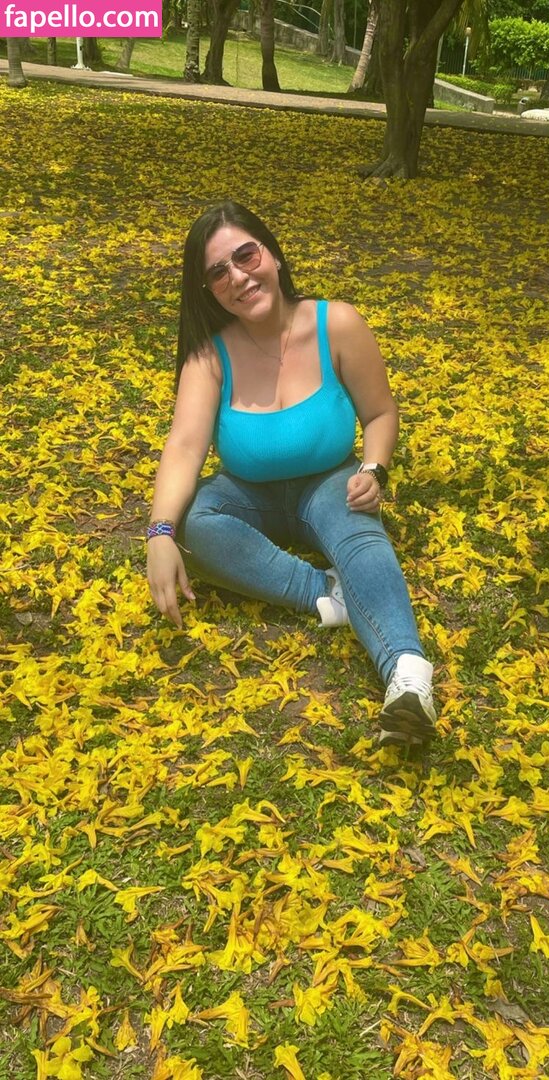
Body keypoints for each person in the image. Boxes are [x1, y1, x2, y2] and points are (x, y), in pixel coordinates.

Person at [146, 201, 437, 747]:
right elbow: (183, 446)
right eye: (218, 272)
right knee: (193, 523)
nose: (238, 277)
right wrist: (160, 532)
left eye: (246, 255)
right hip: (247, 492)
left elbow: (380, 413)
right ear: (208, 291)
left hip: (329, 482)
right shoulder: (209, 356)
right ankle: (326, 592)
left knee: (361, 536)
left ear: (273, 255)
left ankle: (408, 677)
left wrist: (373, 470)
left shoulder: (337, 324)